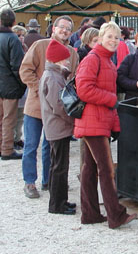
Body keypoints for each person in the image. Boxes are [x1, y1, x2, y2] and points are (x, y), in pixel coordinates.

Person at [74, 21, 137, 228]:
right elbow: (84, 90)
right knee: (106, 169)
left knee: (90, 168)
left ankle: (90, 214)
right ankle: (115, 215)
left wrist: (115, 123)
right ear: (100, 38)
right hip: (93, 122)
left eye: (117, 38)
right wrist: (111, 101)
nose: (113, 40)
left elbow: (109, 98)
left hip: (100, 121)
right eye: (109, 36)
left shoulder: (108, 61)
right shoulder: (93, 59)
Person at [19, 15, 78, 199]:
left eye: (68, 28)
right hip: (36, 106)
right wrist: (40, 89)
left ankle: (49, 180)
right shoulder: (40, 46)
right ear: (54, 28)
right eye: (62, 27)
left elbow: (73, 78)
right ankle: (30, 182)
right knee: (31, 145)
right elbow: (25, 70)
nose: (64, 31)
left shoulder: (72, 53)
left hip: (57, 109)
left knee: (50, 146)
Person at [39, 40, 76, 215]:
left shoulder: (53, 75)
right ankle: (57, 205)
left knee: (58, 165)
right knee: (60, 167)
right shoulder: (53, 78)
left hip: (55, 127)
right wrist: (73, 120)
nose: (68, 62)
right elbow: (60, 105)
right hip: (58, 127)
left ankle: (60, 201)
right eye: (65, 59)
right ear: (57, 60)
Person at [0, 9, 26, 160]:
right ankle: (7, 149)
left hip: (3, 84)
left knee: (2, 118)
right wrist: (22, 84)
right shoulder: (13, 39)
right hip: (10, 85)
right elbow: (17, 65)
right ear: (14, 22)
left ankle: (2, 147)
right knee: (9, 119)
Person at [11, 25, 28, 150]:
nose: (21, 38)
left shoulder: (25, 48)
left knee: (21, 116)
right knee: (12, 116)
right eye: (18, 35)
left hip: (23, 87)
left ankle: (18, 138)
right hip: (13, 87)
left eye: (23, 35)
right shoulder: (12, 48)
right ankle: (12, 139)